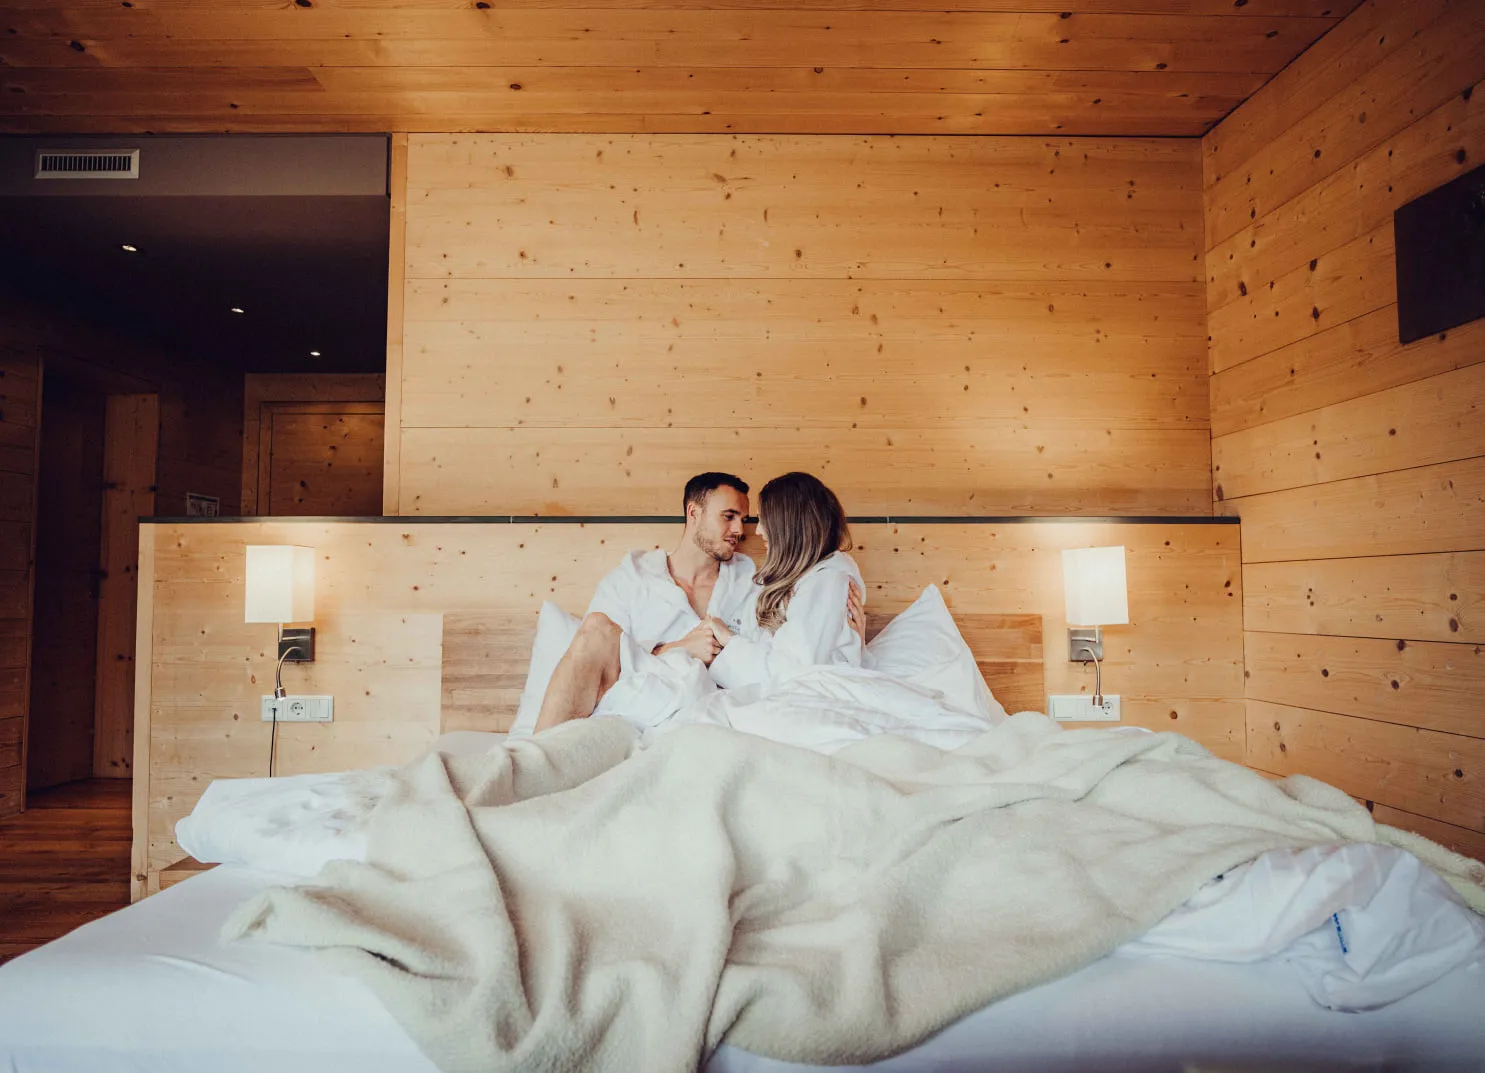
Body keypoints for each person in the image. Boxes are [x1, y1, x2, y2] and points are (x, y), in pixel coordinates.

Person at [534, 472, 864, 732]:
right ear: (694, 513)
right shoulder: (632, 579)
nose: (741, 530)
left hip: (705, 711)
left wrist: (854, 646)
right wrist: (677, 648)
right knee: (595, 629)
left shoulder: (754, 586)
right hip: (636, 703)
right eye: (729, 516)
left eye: (745, 519)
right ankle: (530, 759)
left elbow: (781, 665)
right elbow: (598, 661)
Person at [707, 472, 866, 689]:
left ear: (788, 525)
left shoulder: (828, 581)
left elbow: (792, 669)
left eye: (763, 520)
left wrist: (728, 640)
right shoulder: (790, 581)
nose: (758, 530)